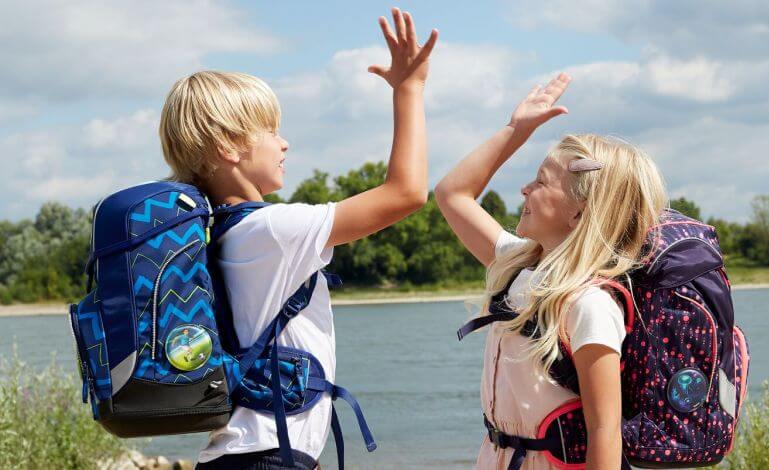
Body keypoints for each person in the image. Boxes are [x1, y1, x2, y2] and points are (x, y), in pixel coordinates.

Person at [157, 8, 438, 469]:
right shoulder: (272, 230)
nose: (284, 142)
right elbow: (405, 193)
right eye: (270, 130)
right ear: (228, 146)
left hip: (246, 452)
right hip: (269, 456)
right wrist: (409, 89)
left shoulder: (219, 233)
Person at [434, 73, 667, 469]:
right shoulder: (517, 263)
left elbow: (604, 431)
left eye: (540, 181)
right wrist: (515, 130)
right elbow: (451, 193)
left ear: (578, 212)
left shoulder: (589, 304)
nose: (524, 189)